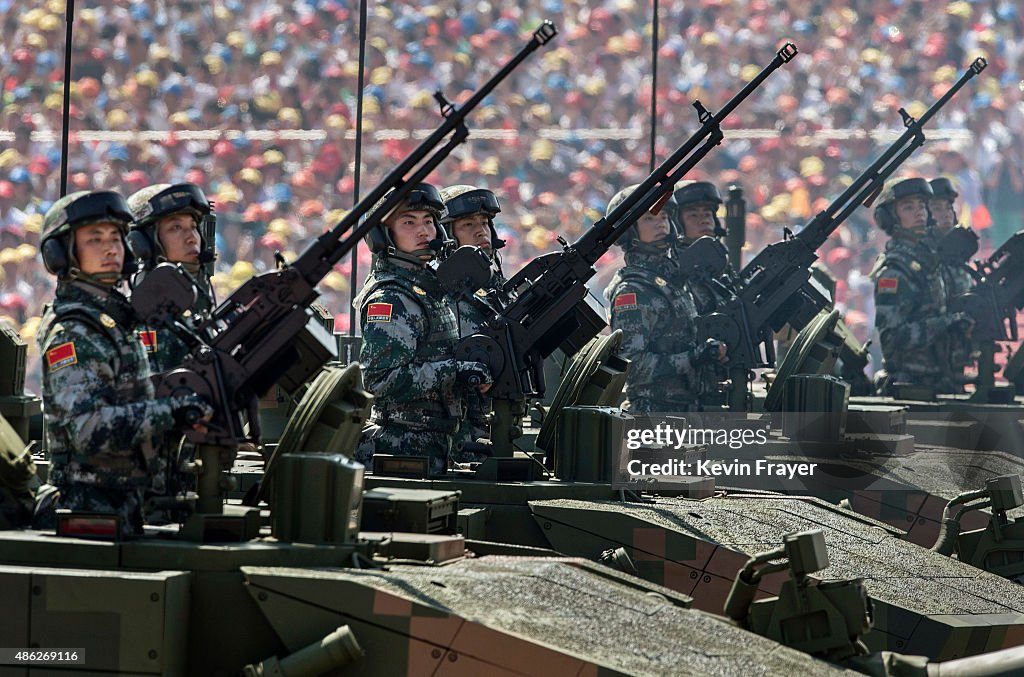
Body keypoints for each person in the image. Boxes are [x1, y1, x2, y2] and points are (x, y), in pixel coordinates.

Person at [36, 190, 211, 537]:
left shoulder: (112, 319)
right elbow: (86, 429)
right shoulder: (73, 331)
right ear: (61, 253)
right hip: (89, 511)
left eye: (116, 237)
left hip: (124, 506)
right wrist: (171, 412)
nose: (111, 249)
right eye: (94, 240)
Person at [352, 184, 491, 476]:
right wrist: (457, 371)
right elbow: (380, 379)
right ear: (382, 234)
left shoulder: (427, 287)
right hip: (402, 448)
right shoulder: (390, 297)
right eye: (408, 222)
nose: (423, 231)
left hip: (436, 444)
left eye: (428, 221)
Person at [127, 182, 216, 521]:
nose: (191, 236)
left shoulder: (197, 291)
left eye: (193, 226)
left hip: (188, 463)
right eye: (175, 228)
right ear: (145, 242)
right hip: (152, 478)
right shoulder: (143, 301)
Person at [603, 184, 726, 414]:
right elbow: (632, 366)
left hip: (687, 411)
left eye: (665, 216)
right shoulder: (633, 291)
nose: (661, 223)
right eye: (649, 219)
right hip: (652, 415)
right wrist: (694, 358)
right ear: (630, 231)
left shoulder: (672, 280)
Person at [870, 178, 973, 395]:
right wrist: (947, 324)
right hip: (911, 388)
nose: (919, 213)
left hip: (943, 383)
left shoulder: (931, 261)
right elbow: (893, 339)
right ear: (890, 217)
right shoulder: (895, 271)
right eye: (908, 207)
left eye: (922, 206)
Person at [439, 185, 511, 458]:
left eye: (484, 223)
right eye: (468, 225)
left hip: (491, 423)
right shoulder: (439, 291)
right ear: (447, 235)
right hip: (455, 435)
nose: (481, 231)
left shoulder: (495, 287)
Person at [929, 177, 976, 386]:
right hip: (928, 363)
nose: (946, 214)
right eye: (937, 208)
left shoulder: (958, 256)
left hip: (957, 359)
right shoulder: (923, 255)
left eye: (949, 208)